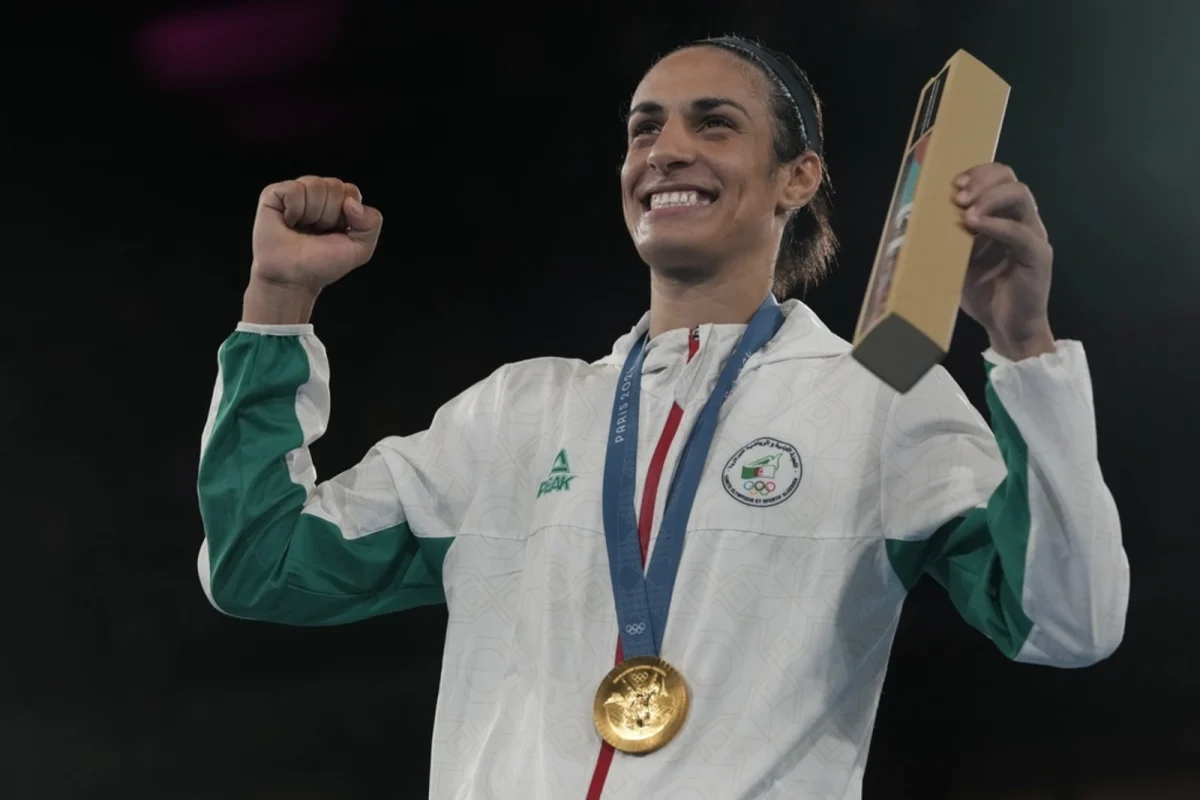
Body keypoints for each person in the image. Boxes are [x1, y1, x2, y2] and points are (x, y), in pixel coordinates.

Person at [196, 35, 1129, 799]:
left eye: (712, 124)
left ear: (797, 178)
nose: (664, 149)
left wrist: (1026, 349)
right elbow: (260, 564)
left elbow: (1069, 620)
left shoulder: (879, 400)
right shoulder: (514, 414)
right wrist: (276, 300)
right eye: (644, 129)